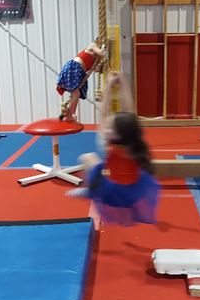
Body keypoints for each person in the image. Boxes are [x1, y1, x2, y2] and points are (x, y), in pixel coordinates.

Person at [67, 72, 160, 227]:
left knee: (88, 158)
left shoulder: (110, 147)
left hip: (113, 194)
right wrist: (123, 82)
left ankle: (90, 190)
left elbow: (103, 114)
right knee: (100, 165)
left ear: (115, 134)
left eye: (110, 127)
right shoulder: (135, 142)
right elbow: (130, 112)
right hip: (133, 194)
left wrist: (109, 86)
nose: (107, 127)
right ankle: (92, 189)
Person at [57, 41, 106, 122]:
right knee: (76, 93)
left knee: (76, 94)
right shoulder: (92, 46)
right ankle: (70, 115)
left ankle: (69, 114)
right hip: (74, 68)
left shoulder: (95, 60)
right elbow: (102, 53)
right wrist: (104, 49)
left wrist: (101, 66)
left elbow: (96, 69)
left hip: (78, 71)